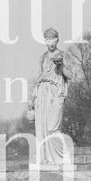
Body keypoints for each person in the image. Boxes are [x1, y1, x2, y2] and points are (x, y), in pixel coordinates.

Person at [29, 27, 73, 165]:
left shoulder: (64, 55)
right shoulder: (42, 57)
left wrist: (60, 67)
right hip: (41, 92)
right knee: (41, 130)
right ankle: (46, 160)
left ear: (57, 40)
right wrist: (32, 97)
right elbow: (40, 76)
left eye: (53, 39)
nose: (51, 43)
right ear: (45, 41)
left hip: (56, 92)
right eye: (48, 40)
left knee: (53, 128)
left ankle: (63, 160)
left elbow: (70, 75)